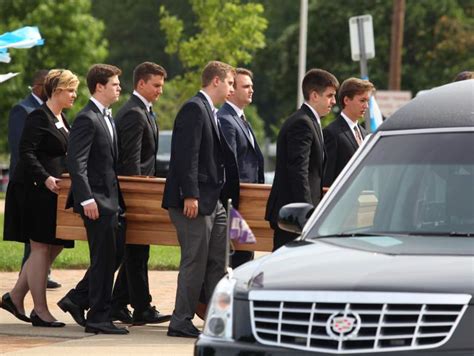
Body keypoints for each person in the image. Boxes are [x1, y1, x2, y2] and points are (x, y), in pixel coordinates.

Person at [162, 60, 237, 338]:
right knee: (194, 261)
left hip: (213, 202)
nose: (232, 88)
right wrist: (190, 194)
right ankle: (180, 320)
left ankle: (217, 319)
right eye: (230, 82)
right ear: (215, 81)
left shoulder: (211, 110)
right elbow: (186, 156)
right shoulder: (195, 108)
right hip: (193, 201)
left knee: (218, 261)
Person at [1, 69, 79, 327]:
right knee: (40, 248)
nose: (74, 95)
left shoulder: (61, 117)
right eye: (70, 90)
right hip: (33, 190)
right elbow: (26, 153)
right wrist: (45, 177)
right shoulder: (38, 116)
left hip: (53, 193)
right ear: (56, 90)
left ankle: (15, 296)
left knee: (54, 245)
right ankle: (40, 310)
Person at [58, 64, 128, 335]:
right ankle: (98, 317)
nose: (119, 88)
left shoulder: (108, 117)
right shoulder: (87, 118)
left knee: (114, 255)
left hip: (112, 201)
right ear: (99, 87)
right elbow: (77, 162)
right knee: (103, 260)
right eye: (114, 84)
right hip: (96, 202)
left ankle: (78, 299)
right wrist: (86, 199)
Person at [111, 62, 171, 325]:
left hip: (140, 192)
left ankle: (117, 304)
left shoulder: (143, 110)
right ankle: (142, 307)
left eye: (161, 85)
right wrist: (138, 195)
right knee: (136, 252)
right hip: (134, 195)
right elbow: (131, 162)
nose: (160, 90)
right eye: (156, 85)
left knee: (136, 252)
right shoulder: (134, 113)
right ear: (141, 84)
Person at [265, 68, 339, 251]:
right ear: (314, 95)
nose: (334, 101)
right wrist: (306, 214)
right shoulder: (302, 123)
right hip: (293, 217)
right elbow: (299, 171)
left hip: (297, 215)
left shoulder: (311, 121)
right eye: (330, 96)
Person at [7, 69, 62, 289]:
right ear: (40, 86)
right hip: (30, 181)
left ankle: (38, 274)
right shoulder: (24, 110)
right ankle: (28, 275)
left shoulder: (54, 112)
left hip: (47, 182)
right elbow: (22, 148)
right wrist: (41, 175)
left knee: (45, 239)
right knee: (35, 240)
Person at [217, 68, 264, 268]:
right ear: (231, 90)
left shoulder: (241, 119)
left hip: (249, 201)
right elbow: (230, 165)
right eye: (246, 86)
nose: (251, 90)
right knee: (237, 259)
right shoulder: (226, 120)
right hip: (237, 201)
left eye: (251, 86)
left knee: (245, 257)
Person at [323, 77, 374, 187]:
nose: (366, 106)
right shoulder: (331, 133)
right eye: (362, 100)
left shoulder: (365, 134)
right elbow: (327, 176)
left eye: (367, 101)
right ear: (346, 100)